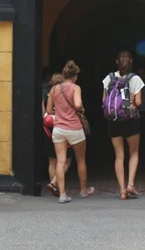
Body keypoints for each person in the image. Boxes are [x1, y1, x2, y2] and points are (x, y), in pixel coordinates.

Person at [45, 59, 94, 203]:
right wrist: (80, 108)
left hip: (58, 129)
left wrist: (59, 110)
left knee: (60, 161)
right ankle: (83, 190)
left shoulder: (54, 89)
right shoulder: (75, 88)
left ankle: (62, 195)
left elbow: (48, 110)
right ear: (75, 77)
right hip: (74, 128)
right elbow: (78, 104)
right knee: (80, 160)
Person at [102, 49, 145, 200]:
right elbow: (138, 103)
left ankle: (121, 190)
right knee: (133, 153)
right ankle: (131, 184)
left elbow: (104, 101)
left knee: (119, 155)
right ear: (131, 62)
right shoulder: (136, 79)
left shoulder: (109, 78)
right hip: (131, 120)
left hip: (113, 121)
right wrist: (132, 100)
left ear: (117, 62)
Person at [42, 72, 72, 196]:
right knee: (66, 160)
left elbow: (44, 115)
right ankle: (55, 183)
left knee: (52, 161)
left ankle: (54, 186)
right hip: (63, 128)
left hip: (48, 130)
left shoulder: (47, 96)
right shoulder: (65, 95)